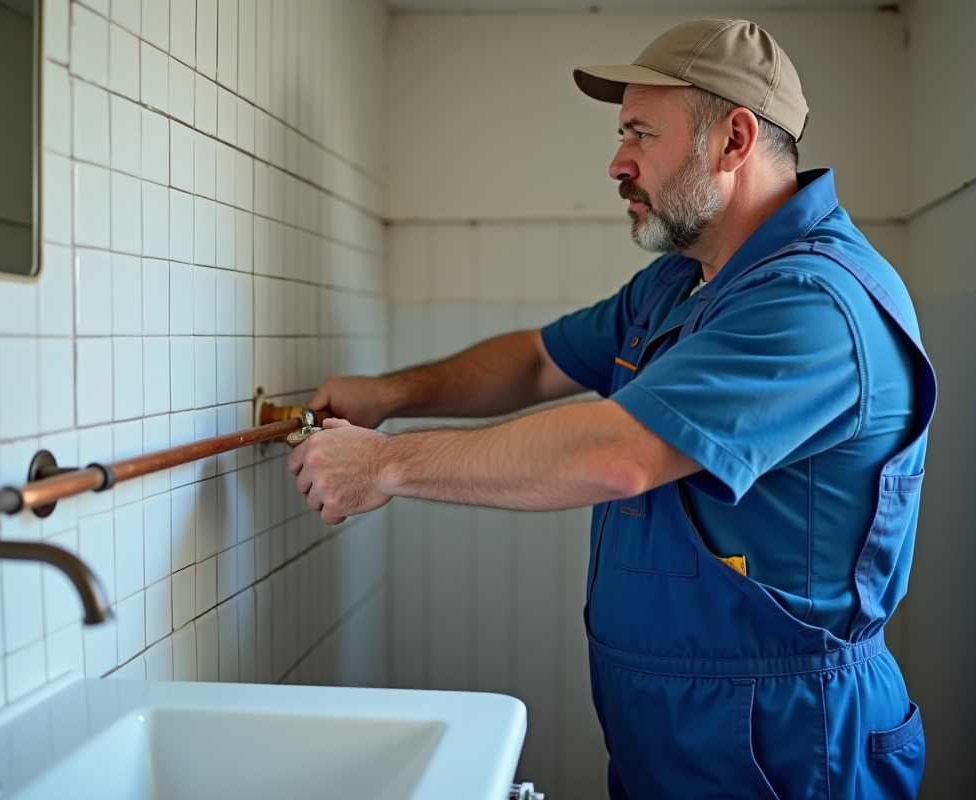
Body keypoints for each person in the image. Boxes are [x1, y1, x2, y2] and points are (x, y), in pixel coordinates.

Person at [288, 18, 935, 800]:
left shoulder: (815, 304)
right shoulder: (682, 281)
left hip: (783, 742)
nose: (616, 162)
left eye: (639, 134)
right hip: (673, 724)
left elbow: (618, 456)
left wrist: (384, 465)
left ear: (733, 141)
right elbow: (537, 361)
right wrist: (389, 395)